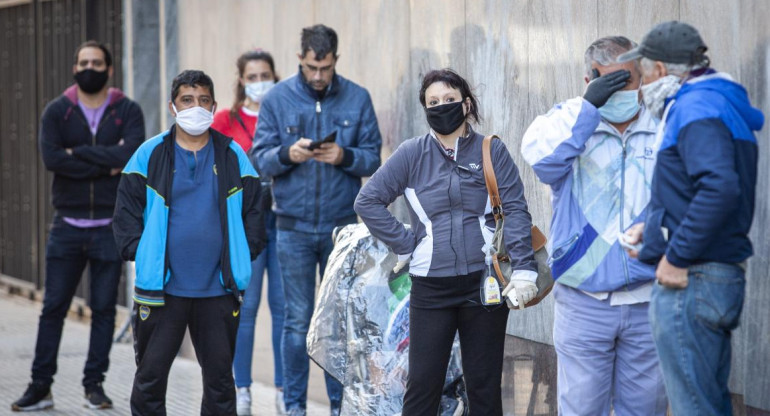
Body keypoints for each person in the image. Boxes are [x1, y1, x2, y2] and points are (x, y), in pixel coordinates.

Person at [355, 68, 538, 415]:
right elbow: (367, 201)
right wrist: (406, 245)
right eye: (432, 102)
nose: (441, 107)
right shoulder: (412, 154)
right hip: (431, 287)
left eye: (449, 100)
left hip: (485, 284)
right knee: (423, 385)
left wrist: (525, 269)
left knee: (483, 386)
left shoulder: (490, 150)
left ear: (466, 104)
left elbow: (515, 208)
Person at [620, 21, 763, 416]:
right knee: (709, 402)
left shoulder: (696, 106)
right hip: (712, 276)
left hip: (693, 279)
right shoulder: (717, 101)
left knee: (694, 408)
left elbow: (718, 188)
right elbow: (695, 186)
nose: (641, 84)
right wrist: (651, 228)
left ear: (661, 71)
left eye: (643, 73)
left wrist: (675, 257)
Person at [520, 36, 668, 415]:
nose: (620, 90)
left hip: (648, 297)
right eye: (609, 82)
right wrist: (588, 108)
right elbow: (544, 163)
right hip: (584, 300)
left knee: (645, 409)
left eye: (629, 80)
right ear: (590, 80)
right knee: (583, 409)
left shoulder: (662, 123)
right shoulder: (567, 122)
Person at [113, 70, 265, 415]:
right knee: (150, 379)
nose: (195, 107)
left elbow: (256, 209)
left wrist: (243, 252)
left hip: (219, 290)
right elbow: (125, 212)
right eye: (187, 100)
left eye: (203, 100)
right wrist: (143, 254)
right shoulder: (149, 154)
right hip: (162, 289)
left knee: (220, 385)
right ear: (172, 106)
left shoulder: (232, 155)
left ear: (214, 107)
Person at [253, 24, 382, 416]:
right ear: (300, 59)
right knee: (296, 322)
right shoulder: (277, 98)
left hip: (342, 229)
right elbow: (260, 157)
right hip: (291, 227)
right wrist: (287, 155)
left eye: (325, 68)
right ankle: (293, 406)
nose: (318, 76)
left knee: (341, 325)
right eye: (311, 67)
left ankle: (341, 407)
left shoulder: (358, 98)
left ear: (336, 61)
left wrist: (344, 157)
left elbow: (373, 157)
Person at [11, 40, 145, 412]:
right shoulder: (57, 111)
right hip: (66, 227)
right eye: (84, 62)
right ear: (74, 68)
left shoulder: (127, 110)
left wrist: (80, 155)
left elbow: (130, 155)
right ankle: (41, 386)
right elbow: (52, 159)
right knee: (53, 307)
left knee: (103, 310)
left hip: (108, 228)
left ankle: (94, 386)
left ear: (109, 69)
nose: (90, 67)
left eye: (97, 62)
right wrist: (106, 163)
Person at [211, 49, 286, 416]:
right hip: (244, 225)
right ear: (241, 80)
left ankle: (285, 390)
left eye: (266, 75)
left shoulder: (287, 114)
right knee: (247, 307)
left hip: (284, 219)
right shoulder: (226, 120)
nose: (260, 83)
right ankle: (241, 389)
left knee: (286, 310)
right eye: (253, 76)